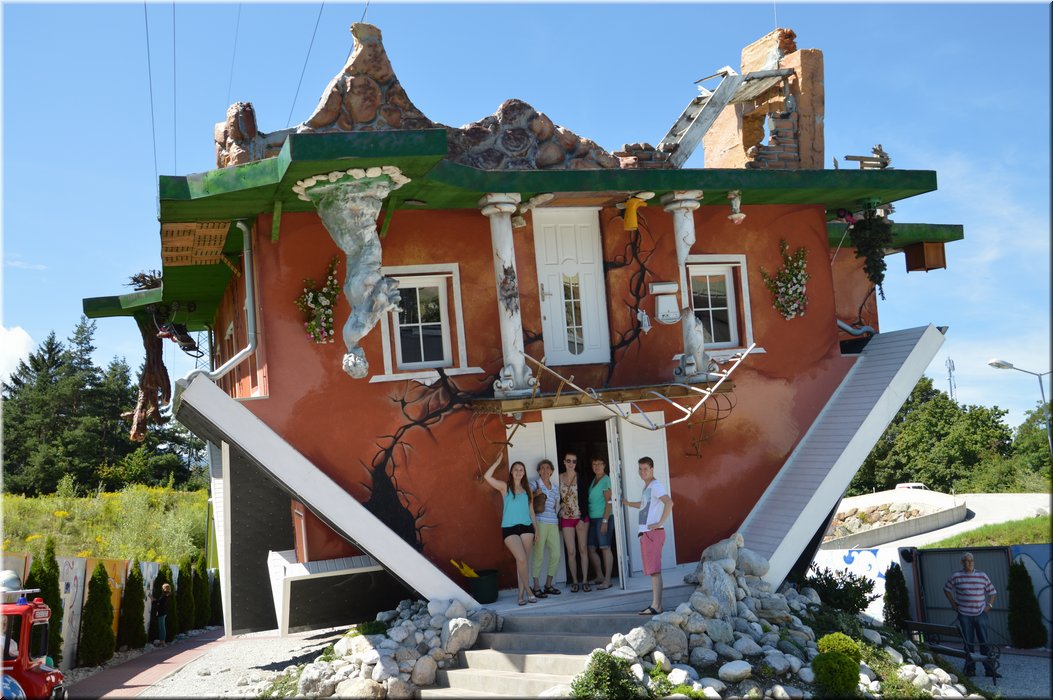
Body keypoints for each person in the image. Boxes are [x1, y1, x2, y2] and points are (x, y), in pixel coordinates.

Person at [484, 454, 538, 605]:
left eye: (521, 470)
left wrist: (537, 530)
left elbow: (532, 512)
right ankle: (529, 591)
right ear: (511, 472)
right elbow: (487, 477)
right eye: (516, 469)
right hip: (509, 528)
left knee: (523, 563)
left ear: (524, 473)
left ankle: (520, 595)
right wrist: (496, 462)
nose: (518, 472)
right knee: (521, 559)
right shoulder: (505, 487)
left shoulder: (528, 489)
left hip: (527, 528)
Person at [622, 456, 674, 615]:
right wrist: (629, 503)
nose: (642, 472)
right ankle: (656, 605)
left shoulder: (656, 486)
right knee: (653, 571)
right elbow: (645, 505)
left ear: (652, 469)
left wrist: (659, 523)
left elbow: (669, 502)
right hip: (648, 534)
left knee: (655, 572)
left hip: (653, 534)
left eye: (645, 469)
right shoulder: (648, 487)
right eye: (640, 469)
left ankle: (656, 606)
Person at [943, 552, 999, 678]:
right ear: (961, 563)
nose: (969, 563)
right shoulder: (956, 576)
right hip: (964, 614)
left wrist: (989, 606)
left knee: (984, 641)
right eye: (966, 561)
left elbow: (992, 592)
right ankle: (970, 669)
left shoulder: (982, 575)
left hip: (981, 613)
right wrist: (953, 604)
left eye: (971, 560)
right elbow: (946, 589)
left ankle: (989, 669)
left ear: (974, 561)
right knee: (968, 643)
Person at [558, 451, 591, 592]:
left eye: (574, 461)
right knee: (571, 552)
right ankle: (575, 581)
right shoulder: (558, 477)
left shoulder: (581, 477)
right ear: (564, 462)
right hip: (566, 518)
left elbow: (585, 498)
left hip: (581, 518)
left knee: (583, 549)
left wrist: (583, 518)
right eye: (568, 461)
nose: (571, 464)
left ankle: (585, 580)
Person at [530, 459, 562, 599]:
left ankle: (548, 585)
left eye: (548, 468)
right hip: (540, 523)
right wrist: (534, 495)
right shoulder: (534, 484)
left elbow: (556, 507)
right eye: (542, 468)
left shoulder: (555, 488)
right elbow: (525, 499)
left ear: (552, 471)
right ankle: (536, 586)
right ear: (539, 471)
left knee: (556, 554)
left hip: (553, 523)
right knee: (538, 554)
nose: (545, 470)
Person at [586, 456, 614, 591]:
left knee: (605, 547)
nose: (596, 466)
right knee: (591, 548)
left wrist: (605, 520)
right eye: (594, 464)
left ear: (604, 465)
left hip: (603, 518)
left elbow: (609, 502)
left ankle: (607, 580)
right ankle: (600, 576)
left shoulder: (606, 480)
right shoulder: (594, 480)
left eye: (599, 464)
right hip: (593, 519)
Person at [151, 582, 171, 646]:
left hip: (161, 613)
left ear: (164, 588)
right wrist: (155, 600)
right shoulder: (167, 595)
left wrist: (153, 600)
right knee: (162, 627)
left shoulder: (164, 595)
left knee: (161, 627)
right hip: (163, 612)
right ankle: (162, 641)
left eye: (162, 588)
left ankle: (162, 641)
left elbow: (159, 603)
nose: (161, 589)